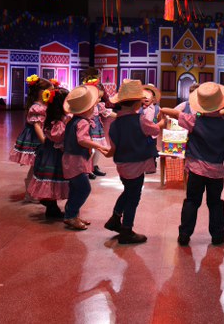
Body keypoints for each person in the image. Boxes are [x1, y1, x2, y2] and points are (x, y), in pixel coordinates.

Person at [162, 82, 224, 246]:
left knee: (191, 201)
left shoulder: (193, 121)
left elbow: (175, 113)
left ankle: (184, 234)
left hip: (195, 171)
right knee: (215, 203)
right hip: (217, 173)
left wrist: (162, 110)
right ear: (221, 104)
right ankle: (218, 235)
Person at [104, 79, 166, 244]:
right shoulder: (140, 119)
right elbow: (154, 129)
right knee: (134, 197)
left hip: (122, 165)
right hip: (136, 164)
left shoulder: (115, 124)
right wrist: (162, 122)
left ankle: (115, 217)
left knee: (128, 191)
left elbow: (113, 147)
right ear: (137, 103)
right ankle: (127, 230)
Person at [61, 85, 109, 230]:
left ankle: (72, 215)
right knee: (84, 189)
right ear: (86, 109)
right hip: (76, 161)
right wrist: (99, 146)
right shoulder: (82, 122)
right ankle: (70, 216)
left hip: (70, 159)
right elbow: (82, 140)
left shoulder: (73, 120)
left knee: (75, 189)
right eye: (92, 107)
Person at [9, 75, 53, 202]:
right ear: (41, 92)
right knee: (35, 167)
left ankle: (33, 192)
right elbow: (37, 126)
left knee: (38, 166)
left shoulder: (43, 105)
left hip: (39, 137)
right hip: (35, 139)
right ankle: (30, 194)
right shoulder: (36, 107)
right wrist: (43, 140)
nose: (51, 93)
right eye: (49, 91)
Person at [28, 87, 70, 219]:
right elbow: (58, 138)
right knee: (53, 178)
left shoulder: (54, 118)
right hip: (54, 154)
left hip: (49, 152)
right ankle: (50, 205)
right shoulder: (57, 122)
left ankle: (51, 206)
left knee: (52, 179)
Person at [87, 83, 116, 179]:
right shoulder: (87, 106)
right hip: (89, 130)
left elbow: (107, 112)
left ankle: (94, 166)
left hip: (97, 130)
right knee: (91, 150)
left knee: (98, 150)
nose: (99, 99)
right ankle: (87, 169)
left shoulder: (99, 106)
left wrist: (120, 116)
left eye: (100, 97)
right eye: (97, 97)